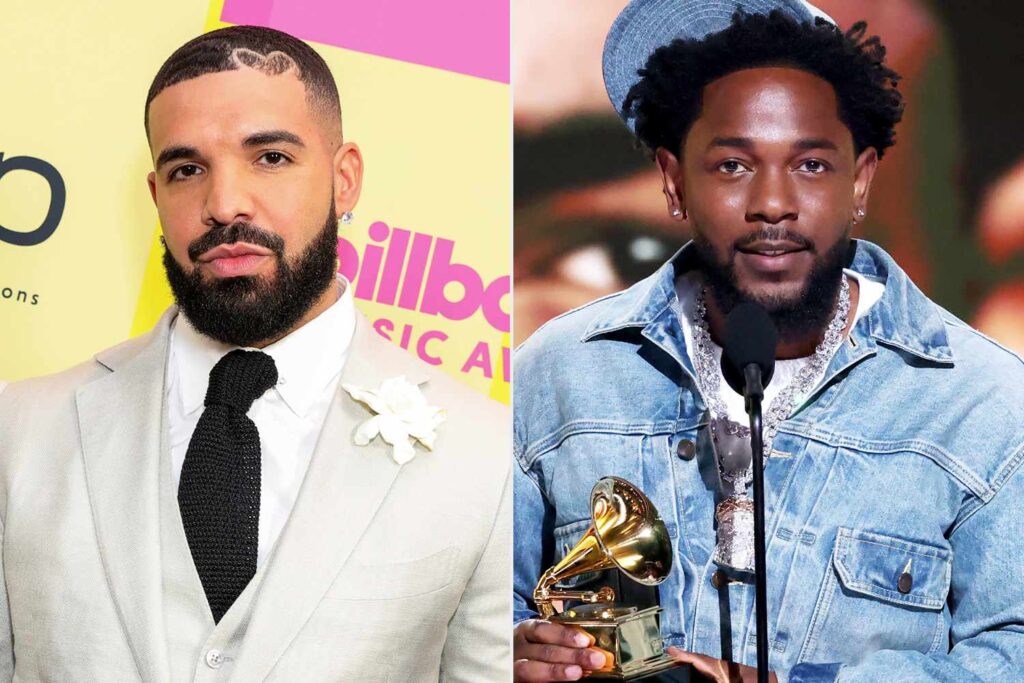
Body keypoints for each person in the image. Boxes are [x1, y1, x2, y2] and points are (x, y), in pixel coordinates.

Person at [512, 2, 1024, 682]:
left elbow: (1012, 652)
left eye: (811, 165)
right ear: (674, 180)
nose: (773, 203)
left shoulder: (986, 402)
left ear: (862, 179)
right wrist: (517, 649)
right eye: (730, 165)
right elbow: (473, 612)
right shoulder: (554, 369)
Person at [0, 25, 509, 682]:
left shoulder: (483, 455)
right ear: (157, 198)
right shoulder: (20, 426)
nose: (224, 205)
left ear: (344, 177)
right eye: (188, 169)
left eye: (269, 157)